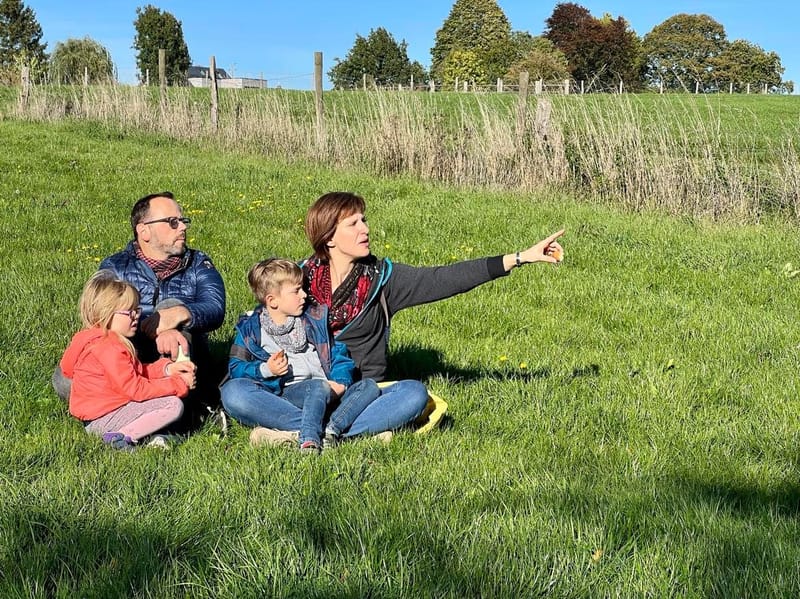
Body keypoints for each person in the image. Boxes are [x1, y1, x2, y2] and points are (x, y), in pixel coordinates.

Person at [300, 191, 565, 431]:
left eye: (364, 220)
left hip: (360, 392)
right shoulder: (299, 279)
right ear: (329, 238)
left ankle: (308, 430)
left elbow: (445, 279)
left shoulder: (383, 279)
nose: (365, 229)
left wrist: (520, 258)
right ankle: (340, 431)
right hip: (309, 386)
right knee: (257, 396)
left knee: (415, 395)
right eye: (353, 224)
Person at [52, 192, 226, 426]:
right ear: (144, 231)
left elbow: (215, 308)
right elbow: (97, 313)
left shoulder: (198, 264)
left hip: (181, 351)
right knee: (65, 378)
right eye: (172, 222)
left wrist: (176, 316)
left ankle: (182, 405)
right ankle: (132, 407)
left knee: (172, 305)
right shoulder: (115, 266)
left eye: (183, 221)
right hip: (126, 352)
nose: (182, 227)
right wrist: (154, 323)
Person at [220, 259, 382, 451]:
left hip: (331, 395)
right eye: (296, 291)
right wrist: (266, 369)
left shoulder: (314, 319)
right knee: (233, 392)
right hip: (290, 398)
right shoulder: (251, 330)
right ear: (272, 301)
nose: (304, 295)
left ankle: (318, 430)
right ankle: (316, 438)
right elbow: (236, 368)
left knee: (378, 387)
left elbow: (338, 354)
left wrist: (341, 382)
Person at [60, 270, 197, 450]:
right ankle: (120, 438)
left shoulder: (94, 339)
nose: (136, 316)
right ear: (106, 314)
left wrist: (167, 370)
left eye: (136, 310)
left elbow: (135, 372)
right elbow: (137, 389)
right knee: (172, 405)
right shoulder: (109, 348)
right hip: (106, 418)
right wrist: (179, 384)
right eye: (129, 312)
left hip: (96, 417)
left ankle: (131, 434)